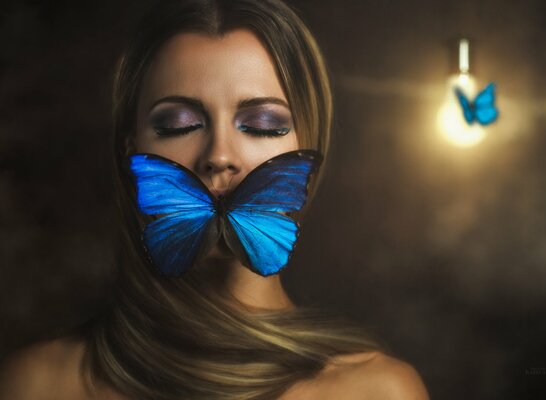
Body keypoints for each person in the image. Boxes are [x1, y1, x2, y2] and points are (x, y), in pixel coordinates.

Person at [0, 0, 430, 399]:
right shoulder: (38, 384)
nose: (219, 156)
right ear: (130, 151)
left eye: (262, 123)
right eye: (178, 124)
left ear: (308, 145)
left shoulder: (377, 391)